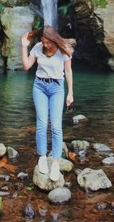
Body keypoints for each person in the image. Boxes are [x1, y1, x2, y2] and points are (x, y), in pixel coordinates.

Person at [21, 25, 76, 182]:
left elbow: (68, 72)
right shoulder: (38, 47)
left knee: (56, 126)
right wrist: (24, 47)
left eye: (48, 42)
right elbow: (26, 66)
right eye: (43, 42)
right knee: (42, 123)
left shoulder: (63, 49)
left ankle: (56, 162)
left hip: (57, 88)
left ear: (54, 39)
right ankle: (42, 157)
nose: (45, 45)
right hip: (39, 86)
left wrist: (70, 92)